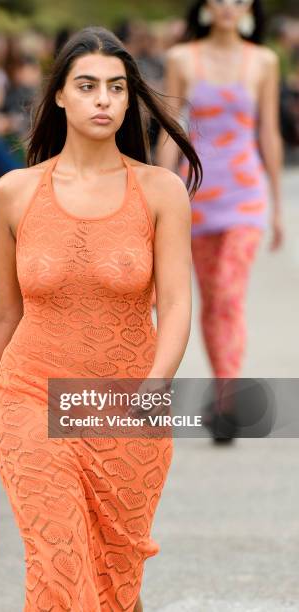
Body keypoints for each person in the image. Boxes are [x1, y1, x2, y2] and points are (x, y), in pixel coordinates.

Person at [0, 26, 201, 611]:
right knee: (58, 564)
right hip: (28, 397)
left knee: (114, 584)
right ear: (60, 96)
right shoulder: (15, 192)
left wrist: (156, 383)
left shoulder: (161, 191)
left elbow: (178, 303)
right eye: (87, 86)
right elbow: (0, 312)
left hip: (128, 404)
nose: (104, 100)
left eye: (117, 88)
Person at [155, 0, 284, 441]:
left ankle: (227, 401)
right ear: (207, 6)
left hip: (246, 195)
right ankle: (223, 391)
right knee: (211, 300)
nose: (230, 5)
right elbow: (171, 127)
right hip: (198, 193)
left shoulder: (263, 60)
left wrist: (278, 205)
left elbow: (267, 130)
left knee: (229, 293)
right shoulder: (182, 58)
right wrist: (158, 188)